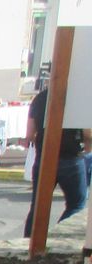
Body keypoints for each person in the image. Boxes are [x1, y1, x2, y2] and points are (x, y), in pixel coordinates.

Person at [23, 87, 90, 236]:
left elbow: (29, 133)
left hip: (44, 156)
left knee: (38, 206)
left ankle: (29, 242)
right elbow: (87, 133)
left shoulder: (40, 97)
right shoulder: (77, 97)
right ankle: (58, 234)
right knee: (77, 203)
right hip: (70, 156)